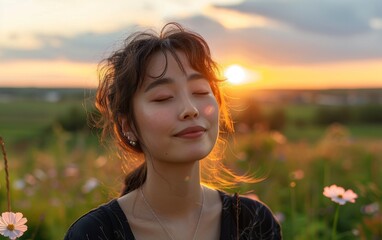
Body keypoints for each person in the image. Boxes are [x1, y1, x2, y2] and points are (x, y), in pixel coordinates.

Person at [64, 22, 282, 240]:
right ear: (127, 126)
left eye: (200, 91)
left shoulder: (254, 222)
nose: (190, 109)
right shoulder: (95, 234)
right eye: (164, 97)